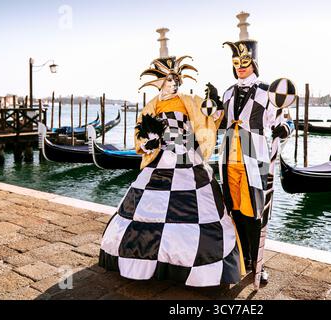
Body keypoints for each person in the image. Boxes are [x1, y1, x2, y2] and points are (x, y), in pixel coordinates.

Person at [98, 33, 244, 287]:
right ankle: (153, 263)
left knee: (197, 211)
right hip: (161, 159)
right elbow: (140, 136)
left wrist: (216, 103)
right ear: (159, 82)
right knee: (147, 207)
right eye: (169, 79)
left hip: (188, 157)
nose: (173, 83)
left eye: (176, 79)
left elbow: (211, 115)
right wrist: (147, 141)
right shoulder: (150, 107)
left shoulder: (190, 101)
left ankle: (191, 266)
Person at [207, 13, 293, 285]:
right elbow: (219, 122)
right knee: (234, 210)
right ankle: (241, 257)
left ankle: (258, 263)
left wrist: (283, 130)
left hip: (255, 154)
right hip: (229, 153)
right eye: (235, 63)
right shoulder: (229, 92)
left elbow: (285, 121)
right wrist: (210, 108)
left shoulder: (267, 91)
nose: (239, 67)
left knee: (255, 211)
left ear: (253, 62)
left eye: (244, 62)